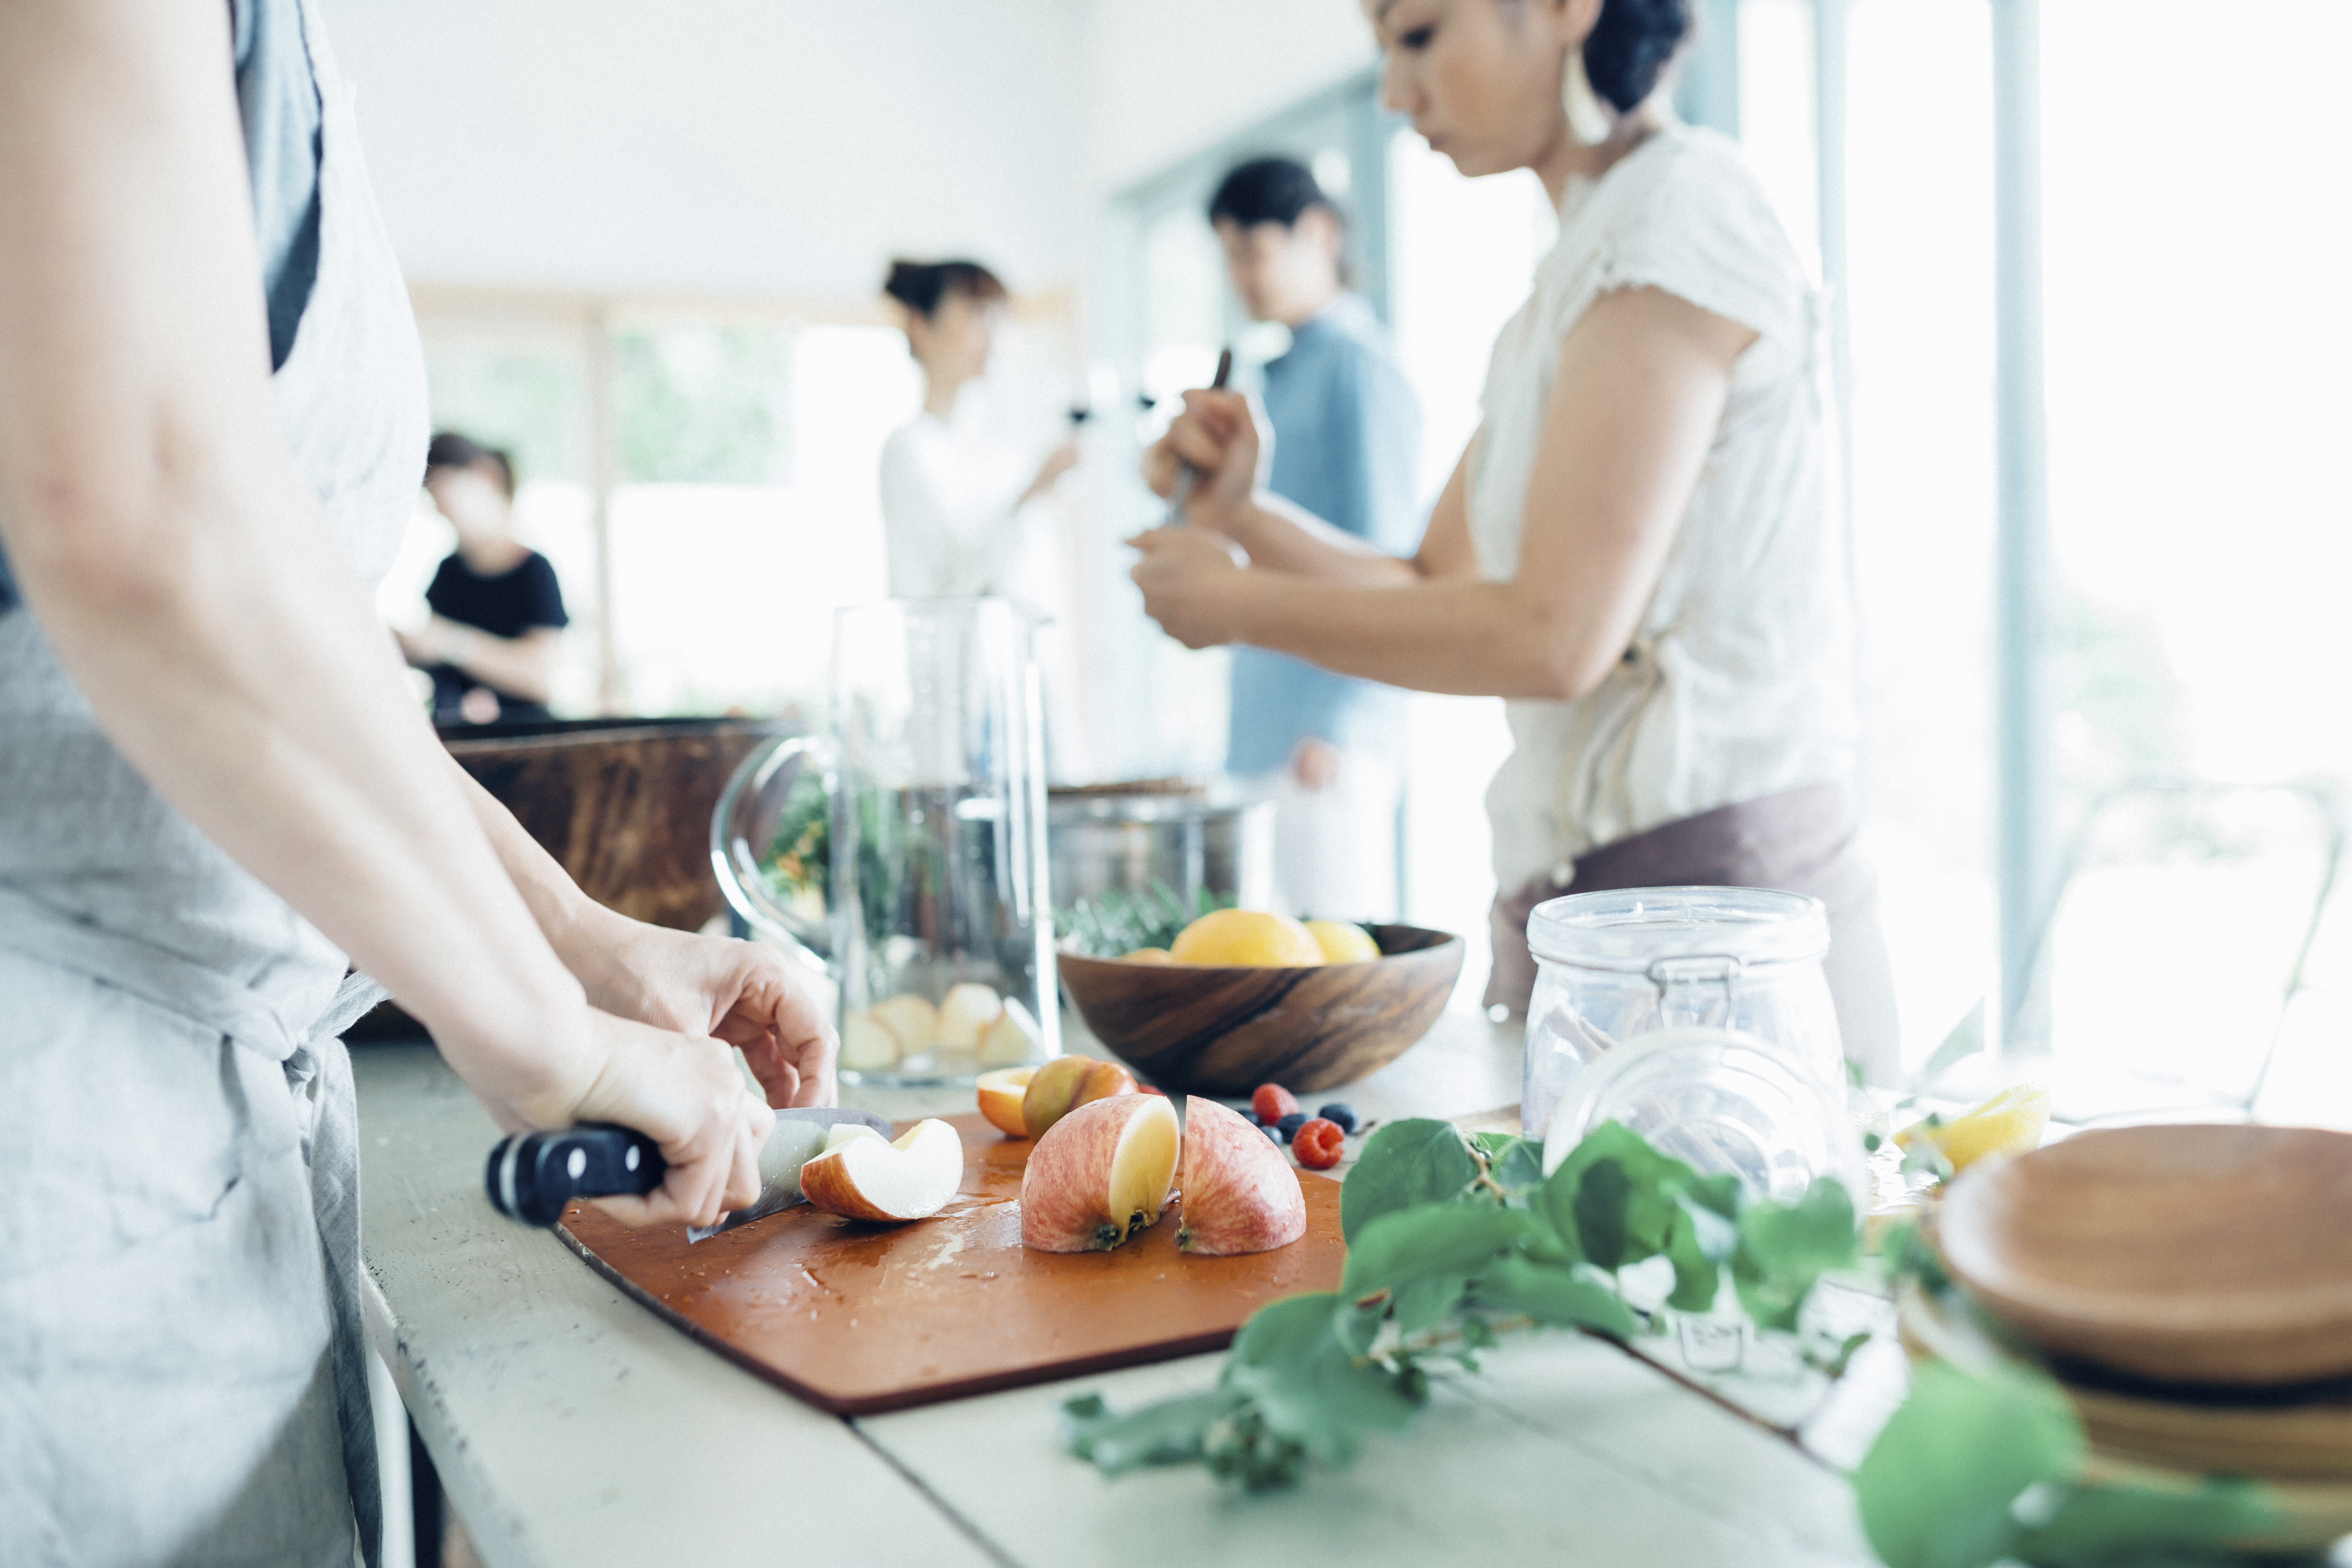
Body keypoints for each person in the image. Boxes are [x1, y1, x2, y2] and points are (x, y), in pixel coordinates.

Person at [0, 3, 831, 1561]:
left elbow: (291, 641)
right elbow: (129, 512)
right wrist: (541, 1036)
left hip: (198, 1142)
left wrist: (588, 942)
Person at [1130, 0, 1899, 1079]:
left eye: (1418, 35)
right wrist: (1242, 516)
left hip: (1718, 939)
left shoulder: (1677, 217)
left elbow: (1552, 634)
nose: (1397, 96)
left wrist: (1237, 606)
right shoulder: (1576, 270)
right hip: (1601, 926)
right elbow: (1430, 578)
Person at [1209, 157, 1422, 920]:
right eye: (1228, 256)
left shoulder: (1361, 369)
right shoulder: (1268, 376)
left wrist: (1340, 722)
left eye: (1253, 252)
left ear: (1320, 233)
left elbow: (1389, 558)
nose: (1240, 277)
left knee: (1337, 975)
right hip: (1259, 731)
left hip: (1325, 742)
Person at [878, 259, 1078, 606]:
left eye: (996, 320)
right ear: (921, 326)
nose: (990, 335)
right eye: (976, 318)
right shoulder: (909, 449)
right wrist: (1033, 490)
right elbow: (958, 577)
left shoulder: (1000, 449)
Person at [398, 431, 569, 725]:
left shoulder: (535, 572)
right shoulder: (447, 573)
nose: (446, 514)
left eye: (449, 499)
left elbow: (540, 677)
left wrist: (452, 643)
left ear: (487, 478)